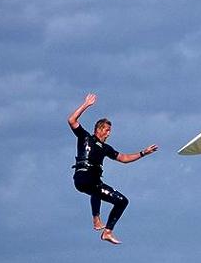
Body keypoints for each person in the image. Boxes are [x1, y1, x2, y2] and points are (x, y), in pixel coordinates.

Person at [68, 93, 158, 244]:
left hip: (92, 183)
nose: (109, 133)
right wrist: (86, 105)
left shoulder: (106, 148)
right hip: (82, 177)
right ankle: (96, 218)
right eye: (107, 130)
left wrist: (143, 153)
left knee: (122, 201)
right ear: (98, 129)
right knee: (95, 184)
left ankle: (107, 231)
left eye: (110, 131)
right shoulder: (85, 137)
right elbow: (72, 120)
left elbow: (123, 158)